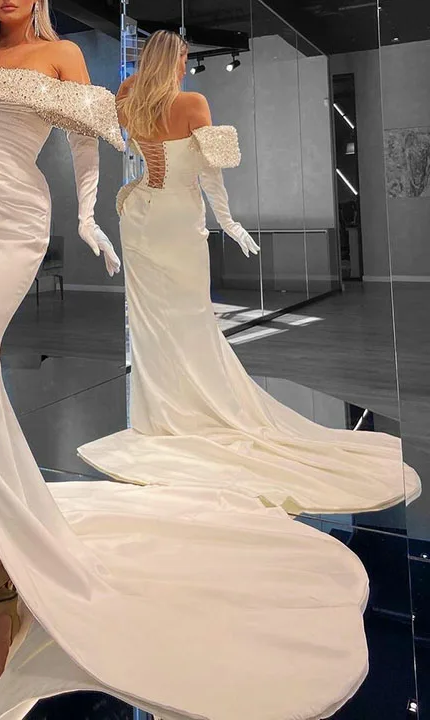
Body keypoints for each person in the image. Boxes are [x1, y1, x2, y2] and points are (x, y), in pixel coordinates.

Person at [0, 0, 370, 720]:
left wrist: (87, 219)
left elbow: (82, 138)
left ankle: (6, 518)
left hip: (11, 218)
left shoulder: (61, 55)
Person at [78, 30, 420, 516]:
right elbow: (210, 175)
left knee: (151, 320)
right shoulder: (193, 103)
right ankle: (185, 409)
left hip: (138, 215)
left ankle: (158, 418)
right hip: (177, 217)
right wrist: (230, 223)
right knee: (191, 317)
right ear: (173, 60)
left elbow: (121, 142)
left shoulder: (128, 97)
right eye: (182, 59)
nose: (184, 67)